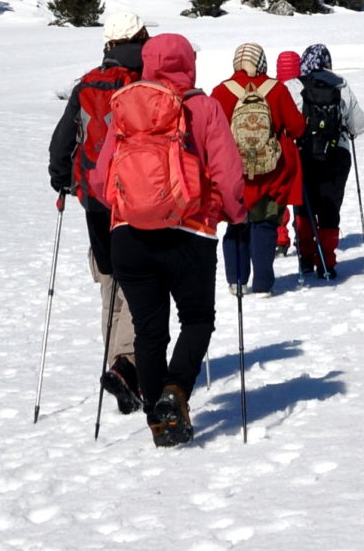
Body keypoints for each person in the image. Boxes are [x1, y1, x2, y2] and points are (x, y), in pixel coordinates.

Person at [87, 32, 245, 447]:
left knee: (148, 333)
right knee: (196, 320)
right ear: (189, 63)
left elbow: (102, 182)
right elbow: (228, 175)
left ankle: (159, 421)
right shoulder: (205, 108)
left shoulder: (126, 106)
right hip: (190, 235)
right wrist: (237, 216)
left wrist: (134, 205)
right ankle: (176, 393)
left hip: (130, 238)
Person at [46, 9, 148, 416]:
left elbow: (62, 141)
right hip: (138, 197)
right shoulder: (147, 79)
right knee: (138, 279)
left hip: (93, 197)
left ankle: (118, 361)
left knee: (109, 278)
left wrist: (61, 178)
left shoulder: (87, 83)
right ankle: (127, 364)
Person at [211, 43, 301, 296]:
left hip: (234, 176)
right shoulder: (277, 89)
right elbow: (296, 127)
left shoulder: (221, 91)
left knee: (236, 225)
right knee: (265, 225)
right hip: (272, 175)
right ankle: (263, 284)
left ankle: (237, 281)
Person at [292, 45, 364, 279]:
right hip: (337, 156)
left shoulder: (294, 86)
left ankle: (305, 257)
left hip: (305, 154)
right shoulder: (342, 85)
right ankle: (326, 262)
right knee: (330, 209)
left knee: (305, 207)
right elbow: (359, 124)